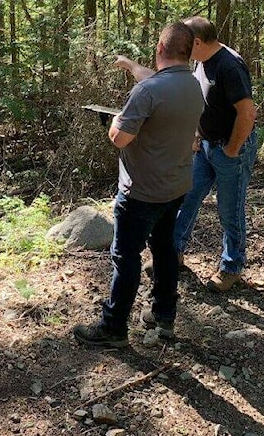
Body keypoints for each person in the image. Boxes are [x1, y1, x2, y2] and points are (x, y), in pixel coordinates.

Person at [74, 22, 204, 348]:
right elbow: (155, 80)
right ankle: (164, 316)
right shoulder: (192, 85)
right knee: (163, 250)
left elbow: (119, 138)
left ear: (159, 48)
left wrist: (117, 119)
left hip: (141, 192)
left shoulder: (146, 93)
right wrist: (132, 66)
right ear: (188, 52)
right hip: (175, 187)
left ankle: (113, 327)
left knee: (126, 256)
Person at [115, 16, 257, 293]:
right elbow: (169, 85)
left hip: (230, 148)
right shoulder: (200, 62)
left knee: (230, 208)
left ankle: (232, 266)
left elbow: (248, 112)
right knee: (187, 198)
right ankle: (173, 252)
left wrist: (232, 149)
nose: (180, 48)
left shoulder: (229, 66)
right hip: (206, 145)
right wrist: (132, 66)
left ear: (197, 42)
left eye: (185, 42)